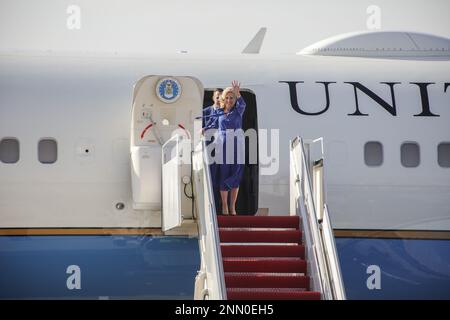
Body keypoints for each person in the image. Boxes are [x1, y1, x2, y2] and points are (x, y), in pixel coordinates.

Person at [215, 81, 246, 216]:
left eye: (231, 97)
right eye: (227, 97)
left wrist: (238, 94)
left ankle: (233, 206)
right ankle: (224, 206)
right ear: (223, 99)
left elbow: (243, 104)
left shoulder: (238, 111)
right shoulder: (218, 112)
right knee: (224, 173)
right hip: (222, 145)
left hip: (236, 144)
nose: (229, 100)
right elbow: (211, 123)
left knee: (236, 173)